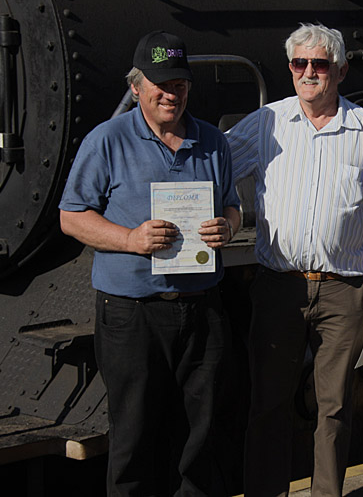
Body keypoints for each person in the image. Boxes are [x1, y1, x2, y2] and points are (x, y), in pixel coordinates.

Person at [226, 22, 363, 497]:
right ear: (290, 68)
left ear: (341, 70)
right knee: (267, 404)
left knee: (333, 408)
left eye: (320, 64)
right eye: (299, 63)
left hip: (343, 291)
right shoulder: (266, 122)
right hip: (278, 287)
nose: (309, 72)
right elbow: (215, 167)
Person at [59, 30, 241, 496]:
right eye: (159, 84)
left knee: (201, 438)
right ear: (136, 87)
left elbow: (233, 206)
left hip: (202, 310)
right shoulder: (107, 140)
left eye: (179, 84)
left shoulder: (213, 141)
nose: (170, 93)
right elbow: (71, 217)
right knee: (134, 439)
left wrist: (228, 226)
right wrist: (130, 238)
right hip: (131, 314)